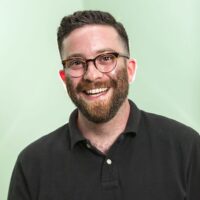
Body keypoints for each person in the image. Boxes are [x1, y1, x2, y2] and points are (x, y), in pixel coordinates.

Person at [8, 10, 200, 200]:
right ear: (64, 77)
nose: (92, 75)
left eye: (106, 58)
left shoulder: (187, 147)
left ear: (130, 70)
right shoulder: (31, 165)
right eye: (76, 62)